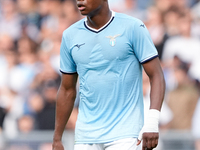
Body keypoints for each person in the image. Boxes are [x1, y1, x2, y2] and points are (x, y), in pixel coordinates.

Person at [52, 0, 165, 150]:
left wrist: (152, 122)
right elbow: (67, 90)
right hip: (86, 136)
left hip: (125, 134)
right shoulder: (69, 36)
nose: (80, 0)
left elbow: (156, 75)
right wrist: (57, 138)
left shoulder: (133, 27)